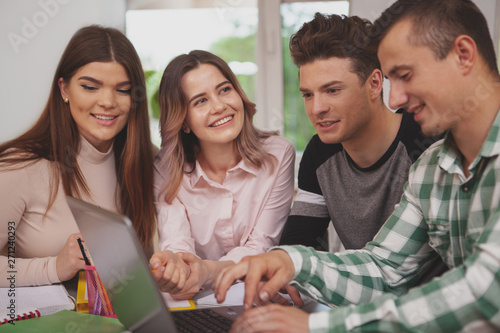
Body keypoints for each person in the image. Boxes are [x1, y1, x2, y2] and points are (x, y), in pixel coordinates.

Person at [213, 0, 500, 331]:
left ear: (463, 55)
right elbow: (384, 269)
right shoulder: (433, 168)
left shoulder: (418, 154)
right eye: (307, 94)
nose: (395, 100)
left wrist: (316, 328)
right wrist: (292, 261)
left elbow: (485, 292)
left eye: (405, 75)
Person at [0, 25, 156, 287]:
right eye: (90, 87)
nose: (107, 101)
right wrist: (54, 267)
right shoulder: (20, 166)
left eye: (123, 89)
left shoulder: (148, 160)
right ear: (64, 89)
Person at [279, 13, 442, 253]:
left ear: (374, 84)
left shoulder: (426, 141)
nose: (316, 109)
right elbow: (299, 242)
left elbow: (400, 263)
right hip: (362, 283)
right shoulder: (319, 153)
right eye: (308, 94)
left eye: (332, 90)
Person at [149, 50, 295, 299]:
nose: (219, 106)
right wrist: (177, 269)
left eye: (225, 90)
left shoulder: (278, 155)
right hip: (204, 301)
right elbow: (177, 243)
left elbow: (260, 247)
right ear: (183, 121)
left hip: (262, 296)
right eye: (200, 101)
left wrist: (207, 271)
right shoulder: (165, 170)